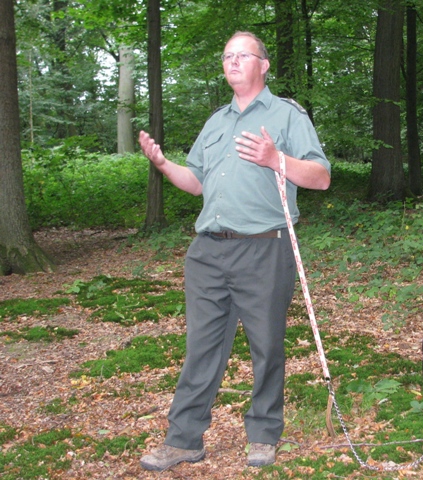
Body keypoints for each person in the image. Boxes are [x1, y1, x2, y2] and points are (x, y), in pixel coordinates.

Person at [138, 31, 330, 471]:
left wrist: (274, 158)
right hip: (208, 252)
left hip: (264, 248)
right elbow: (199, 184)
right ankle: (184, 439)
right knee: (201, 347)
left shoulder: (286, 116)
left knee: (266, 346)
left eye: (243, 54)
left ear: (263, 65)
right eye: (227, 55)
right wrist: (166, 165)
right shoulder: (216, 122)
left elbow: (320, 177)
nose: (233, 61)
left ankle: (263, 434)